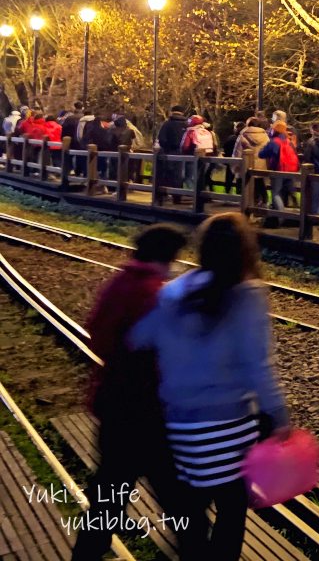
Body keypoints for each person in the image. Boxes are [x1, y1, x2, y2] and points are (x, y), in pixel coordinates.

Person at [128, 213, 290, 561]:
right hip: (230, 425)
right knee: (232, 511)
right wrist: (279, 417)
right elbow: (257, 366)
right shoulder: (248, 294)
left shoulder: (175, 290)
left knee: (193, 512)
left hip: (181, 426)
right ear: (246, 250)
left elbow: (140, 337)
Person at [72, 224, 188, 561]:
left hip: (113, 404)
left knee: (107, 496)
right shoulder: (153, 293)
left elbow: (96, 330)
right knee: (178, 500)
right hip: (149, 413)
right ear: (168, 257)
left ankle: (85, 555)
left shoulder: (119, 282)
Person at [259, 122, 299, 226]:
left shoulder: (274, 142)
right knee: (289, 192)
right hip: (291, 171)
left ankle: (281, 217)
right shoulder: (288, 141)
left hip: (279, 170)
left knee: (276, 194)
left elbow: (262, 154)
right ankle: (298, 213)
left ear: (274, 130)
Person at [156, 106, 189, 201]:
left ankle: (164, 194)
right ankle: (178, 196)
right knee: (180, 175)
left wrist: (166, 147)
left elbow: (161, 139)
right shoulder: (187, 125)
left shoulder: (167, 124)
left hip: (170, 152)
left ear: (172, 112)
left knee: (168, 173)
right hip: (185, 153)